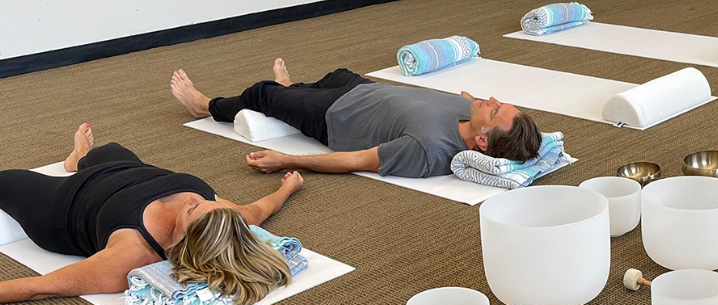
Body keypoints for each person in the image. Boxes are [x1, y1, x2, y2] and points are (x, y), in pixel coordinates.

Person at [0, 124, 304, 305]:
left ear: (185, 238)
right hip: (126, 171)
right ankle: (79, 158)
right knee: (108, 149)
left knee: (6, 181)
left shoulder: (134, 254)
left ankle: (80, 163)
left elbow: (39, 287)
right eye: (207, 200)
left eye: (193, 208)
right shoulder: (228, 220)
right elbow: (264, 207)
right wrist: (289, 187)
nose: (193, 198)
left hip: (63, 205)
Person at [170, 58, 541, 178]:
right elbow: (464, 101)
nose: (488, 100)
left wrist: (287, 158)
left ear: (480, 142)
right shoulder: (472, 114)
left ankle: (205, 107)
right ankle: (292, 90)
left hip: (333, 118)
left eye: (493, 109)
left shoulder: (427, 150)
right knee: (337, 74)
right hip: (361, 89)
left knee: (264, 93)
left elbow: (357, 161)